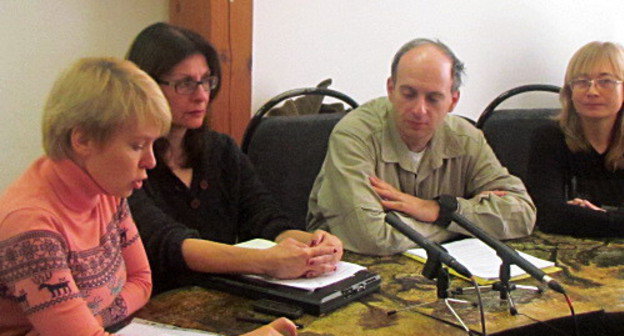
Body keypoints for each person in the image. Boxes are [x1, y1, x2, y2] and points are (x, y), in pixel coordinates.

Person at [125, 22, 343, 295]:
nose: (202, 95)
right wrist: (266, 262)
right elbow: (168, 243)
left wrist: (315, 245)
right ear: (148, 86)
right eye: (185, 84)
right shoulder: (127, 162)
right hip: (158, 305)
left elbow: (265, 218)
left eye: (207, 80)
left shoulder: (221, 150)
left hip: (222, 297)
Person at [307, 38, 536, 255]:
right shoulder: (354, 135)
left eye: (434, 98)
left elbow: (522, 214)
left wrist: (437, 209)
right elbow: (372, 236)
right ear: (391, 89)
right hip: (352, 269)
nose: (419, 110)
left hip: (442, 267)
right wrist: (459, 224)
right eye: (409, 94)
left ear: (453, 101)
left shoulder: (467, 138)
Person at [0, 57, 167, 335]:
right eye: (137, 145)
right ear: (83, 140)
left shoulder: (106, 189)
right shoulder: (31, 226)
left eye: (152, 145)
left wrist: (92, 321)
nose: (150, 161)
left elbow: (142, 281)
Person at [527, 41, 624, 237]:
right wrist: (613, 219)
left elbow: (562, 215)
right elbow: (548, 216)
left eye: (605, 81)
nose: (592, 91)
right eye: (582, 82)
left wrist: (591, 216)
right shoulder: (549, 137)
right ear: (569, 92)